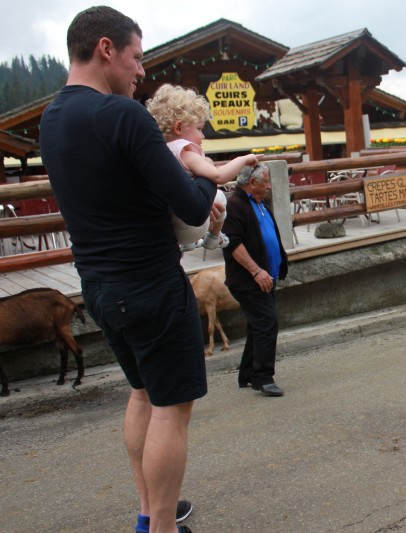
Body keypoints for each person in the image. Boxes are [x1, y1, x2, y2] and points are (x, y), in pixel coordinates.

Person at [38, 7, 229, 533]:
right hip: (150, 286)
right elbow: (191, 206)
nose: (142, 72)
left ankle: (149, 514)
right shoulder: (123, 115)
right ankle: (163, 529)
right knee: (172, 408)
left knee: (143, 395)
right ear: (106, 48)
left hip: (99, 287)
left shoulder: (52, 120)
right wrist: (208, 170)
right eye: (137, 58)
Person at [146, 83, 259, 251]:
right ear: (178, 127)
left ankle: (189, 244)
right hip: (191, 225)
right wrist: (243, 159)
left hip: (171, 225)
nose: (203, 135)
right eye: (199, 129)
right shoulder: (185, 150)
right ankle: (214, 236)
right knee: (220, 196)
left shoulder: (160, 151)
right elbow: (219, 176)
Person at [222, 164, 289, 396]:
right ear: (252, 182)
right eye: (265, 181)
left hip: (266, 276)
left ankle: (248, 373)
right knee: (267, 323)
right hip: (249, 280)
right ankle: (263, 377)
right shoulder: (235, 205)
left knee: (258, 325)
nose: (269, 185)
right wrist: (256, 271)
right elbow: (233, 243)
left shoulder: (258, 202)